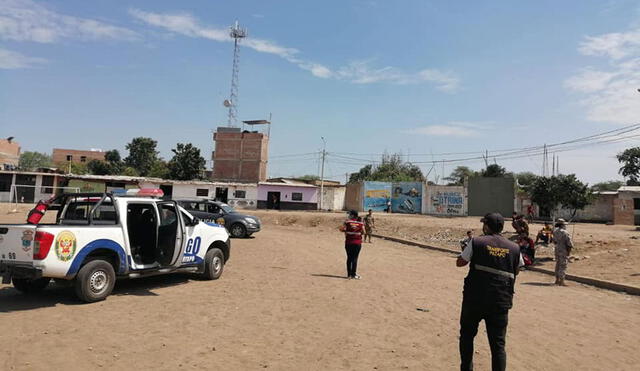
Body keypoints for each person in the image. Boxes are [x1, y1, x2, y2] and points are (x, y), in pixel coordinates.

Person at [456, 213, 523, 371]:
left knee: (467, 336)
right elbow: (517, 269)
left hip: (475, 300)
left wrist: (467, 252)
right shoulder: (514, 247)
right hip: (501, 301)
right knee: (498, 345)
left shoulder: (477, 241)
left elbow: (460, 263)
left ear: (486, 226)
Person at [339, 210, 365, 279]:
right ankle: (354, 274)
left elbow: (341, 229)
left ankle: (349, 275)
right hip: (357, 243)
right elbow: (364, 232)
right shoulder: (360, 223)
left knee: (349, 258)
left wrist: (347, 231)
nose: (349, 215)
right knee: (355, 258)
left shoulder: (347, 222)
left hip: (348, 243)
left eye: (350, 214)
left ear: (353, 215)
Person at [552, 218, 573, 286]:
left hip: (557, 249)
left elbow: (554, 241)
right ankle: (562, 281)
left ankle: (557, 279)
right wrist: (568, 252)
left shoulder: (555, 231)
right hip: (563, 249)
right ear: (562, 225)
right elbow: (569, 244)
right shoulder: (565, 232)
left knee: (557, 264)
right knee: (563, 265)